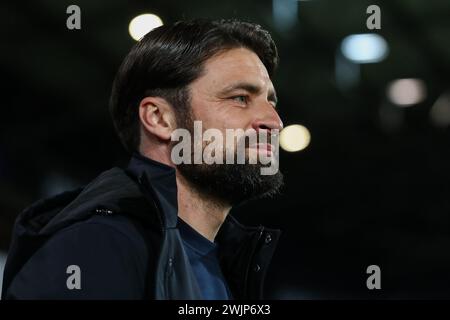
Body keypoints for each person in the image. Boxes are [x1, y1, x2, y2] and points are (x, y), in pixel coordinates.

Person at [2, 18, 284, 300]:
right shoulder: (94, 247)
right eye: (240, 98)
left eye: (270, 102)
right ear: (159, 118)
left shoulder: (228, 269)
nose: (274, 121)